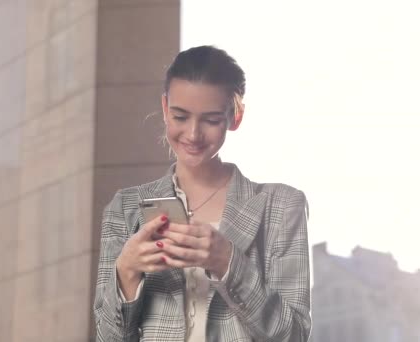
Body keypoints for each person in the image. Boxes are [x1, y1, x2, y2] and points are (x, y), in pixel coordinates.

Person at [93, 45, 311, 341]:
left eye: (210, 120)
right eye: (180, 116)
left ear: (235, 116)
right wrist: (127, 271)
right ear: (164, 108)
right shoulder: (125, 208)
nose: (193, 134)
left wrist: (227, 262)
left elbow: (294, 335)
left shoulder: (282, 206)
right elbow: (108, 337)